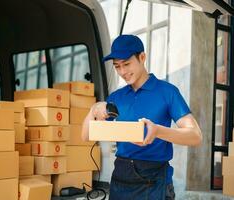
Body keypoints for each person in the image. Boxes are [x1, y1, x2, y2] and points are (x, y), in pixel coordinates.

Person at [81, 35, 202, 200]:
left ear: (142, 57)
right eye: (117, 66)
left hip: (155, 181)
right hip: (120, 179)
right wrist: (93, 109)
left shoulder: (167, 92)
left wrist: (157, 131)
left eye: (127, 64)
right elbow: (86, 136)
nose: (122, 72)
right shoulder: (116, 97)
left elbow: (195, 136)